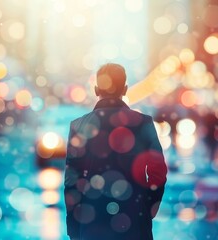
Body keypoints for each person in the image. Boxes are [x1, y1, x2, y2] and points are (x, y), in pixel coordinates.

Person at [64, 63, 168, 240]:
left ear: (97, 90)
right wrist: (148, 205)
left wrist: (73, 223)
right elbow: (157, 171)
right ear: (125, 89)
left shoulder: (79, 125)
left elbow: (72, 180)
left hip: (91, 218)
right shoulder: (143, 123)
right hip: (134, 217)